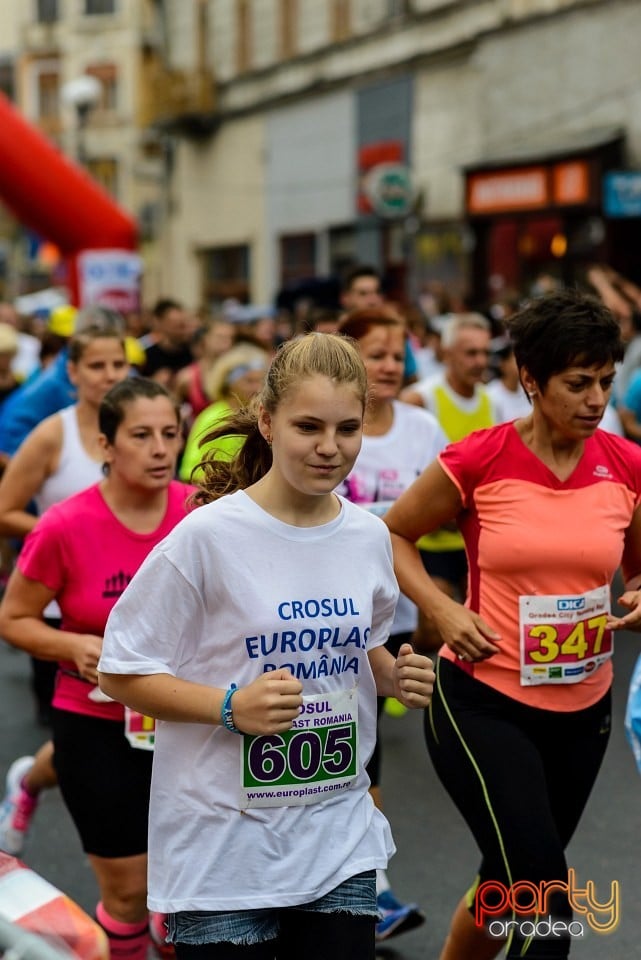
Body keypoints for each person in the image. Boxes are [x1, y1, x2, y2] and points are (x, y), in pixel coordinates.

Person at [97, 333, 435, 960]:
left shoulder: (367, 537)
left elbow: (364, 648)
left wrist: (395, 676)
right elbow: (121, 670)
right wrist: (231, 707)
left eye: (348, 428)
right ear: (268, 420)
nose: (331, 448)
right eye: (309, 426)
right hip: (223, 846)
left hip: (336, 834)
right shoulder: (207, 537)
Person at [383, 289, 641, 960]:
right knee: (544, 895)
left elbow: (639, 570)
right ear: (529, 379)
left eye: (604, 383)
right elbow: (394, 535)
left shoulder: (625, 466)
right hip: (482, 701)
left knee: (506, 878)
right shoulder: (476, 460)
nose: (593, 399)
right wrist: (439, 610)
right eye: (576, 383)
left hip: (583, 711)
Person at [0, 377, 194, 960]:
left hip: (188, 720)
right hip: (94, 724)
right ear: (105, 447)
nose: (161, 448)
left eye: (169, 433)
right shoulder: (63, 524)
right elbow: (14, 618)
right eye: (141, 435)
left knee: (192, 888)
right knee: (129, 890)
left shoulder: (200, 513)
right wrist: (74, 648)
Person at [336, 307, 447, 941]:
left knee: (362, 742)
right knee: (345, 742)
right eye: (373, 351)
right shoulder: (329, 425)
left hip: (393, 608)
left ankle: (361, 892)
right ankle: (367, 891)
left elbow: (449, 509)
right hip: (321, 613)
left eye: (395, 352)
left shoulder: (422, 428)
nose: (387, 363)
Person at [0, 323, 130, 729]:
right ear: (71, 372)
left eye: (118, 364)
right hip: (59, 607)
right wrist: (68, 535)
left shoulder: (142, 431)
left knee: (133, 728)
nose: (109, 375)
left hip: (130, 602)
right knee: (69, 732)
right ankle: (31, 782)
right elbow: (5, 510)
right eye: (96, 365)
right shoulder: (54, 434)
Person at [400, 312, 495, 609]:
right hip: (430, 539)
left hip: (477, 539)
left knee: (480, 622)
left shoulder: (492, 402)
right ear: (447, 353)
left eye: (484, 352)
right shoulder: (421, 399)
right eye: (471, 353)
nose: (480, 361)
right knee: (431, 629)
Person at [178, 342, 268, 482]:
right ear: (228, 383)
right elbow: (190, 471)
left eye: (260, 381)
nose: (257, 388)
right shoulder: (213, 417)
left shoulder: (263, 416)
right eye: (249, 381)